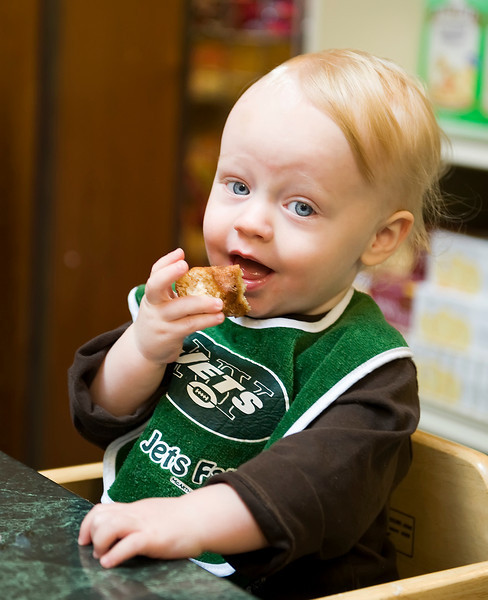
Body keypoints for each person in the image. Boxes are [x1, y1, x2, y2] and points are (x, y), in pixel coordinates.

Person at [69, 49, 445, 599]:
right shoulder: (191, 308)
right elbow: (100, 415)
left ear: (379, 238)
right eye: (238, 186)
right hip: (155, 566)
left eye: (301, 207)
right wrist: (145, 347)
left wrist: (188, 521)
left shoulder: (370, 372)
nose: (251, 221)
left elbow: (310, 487)